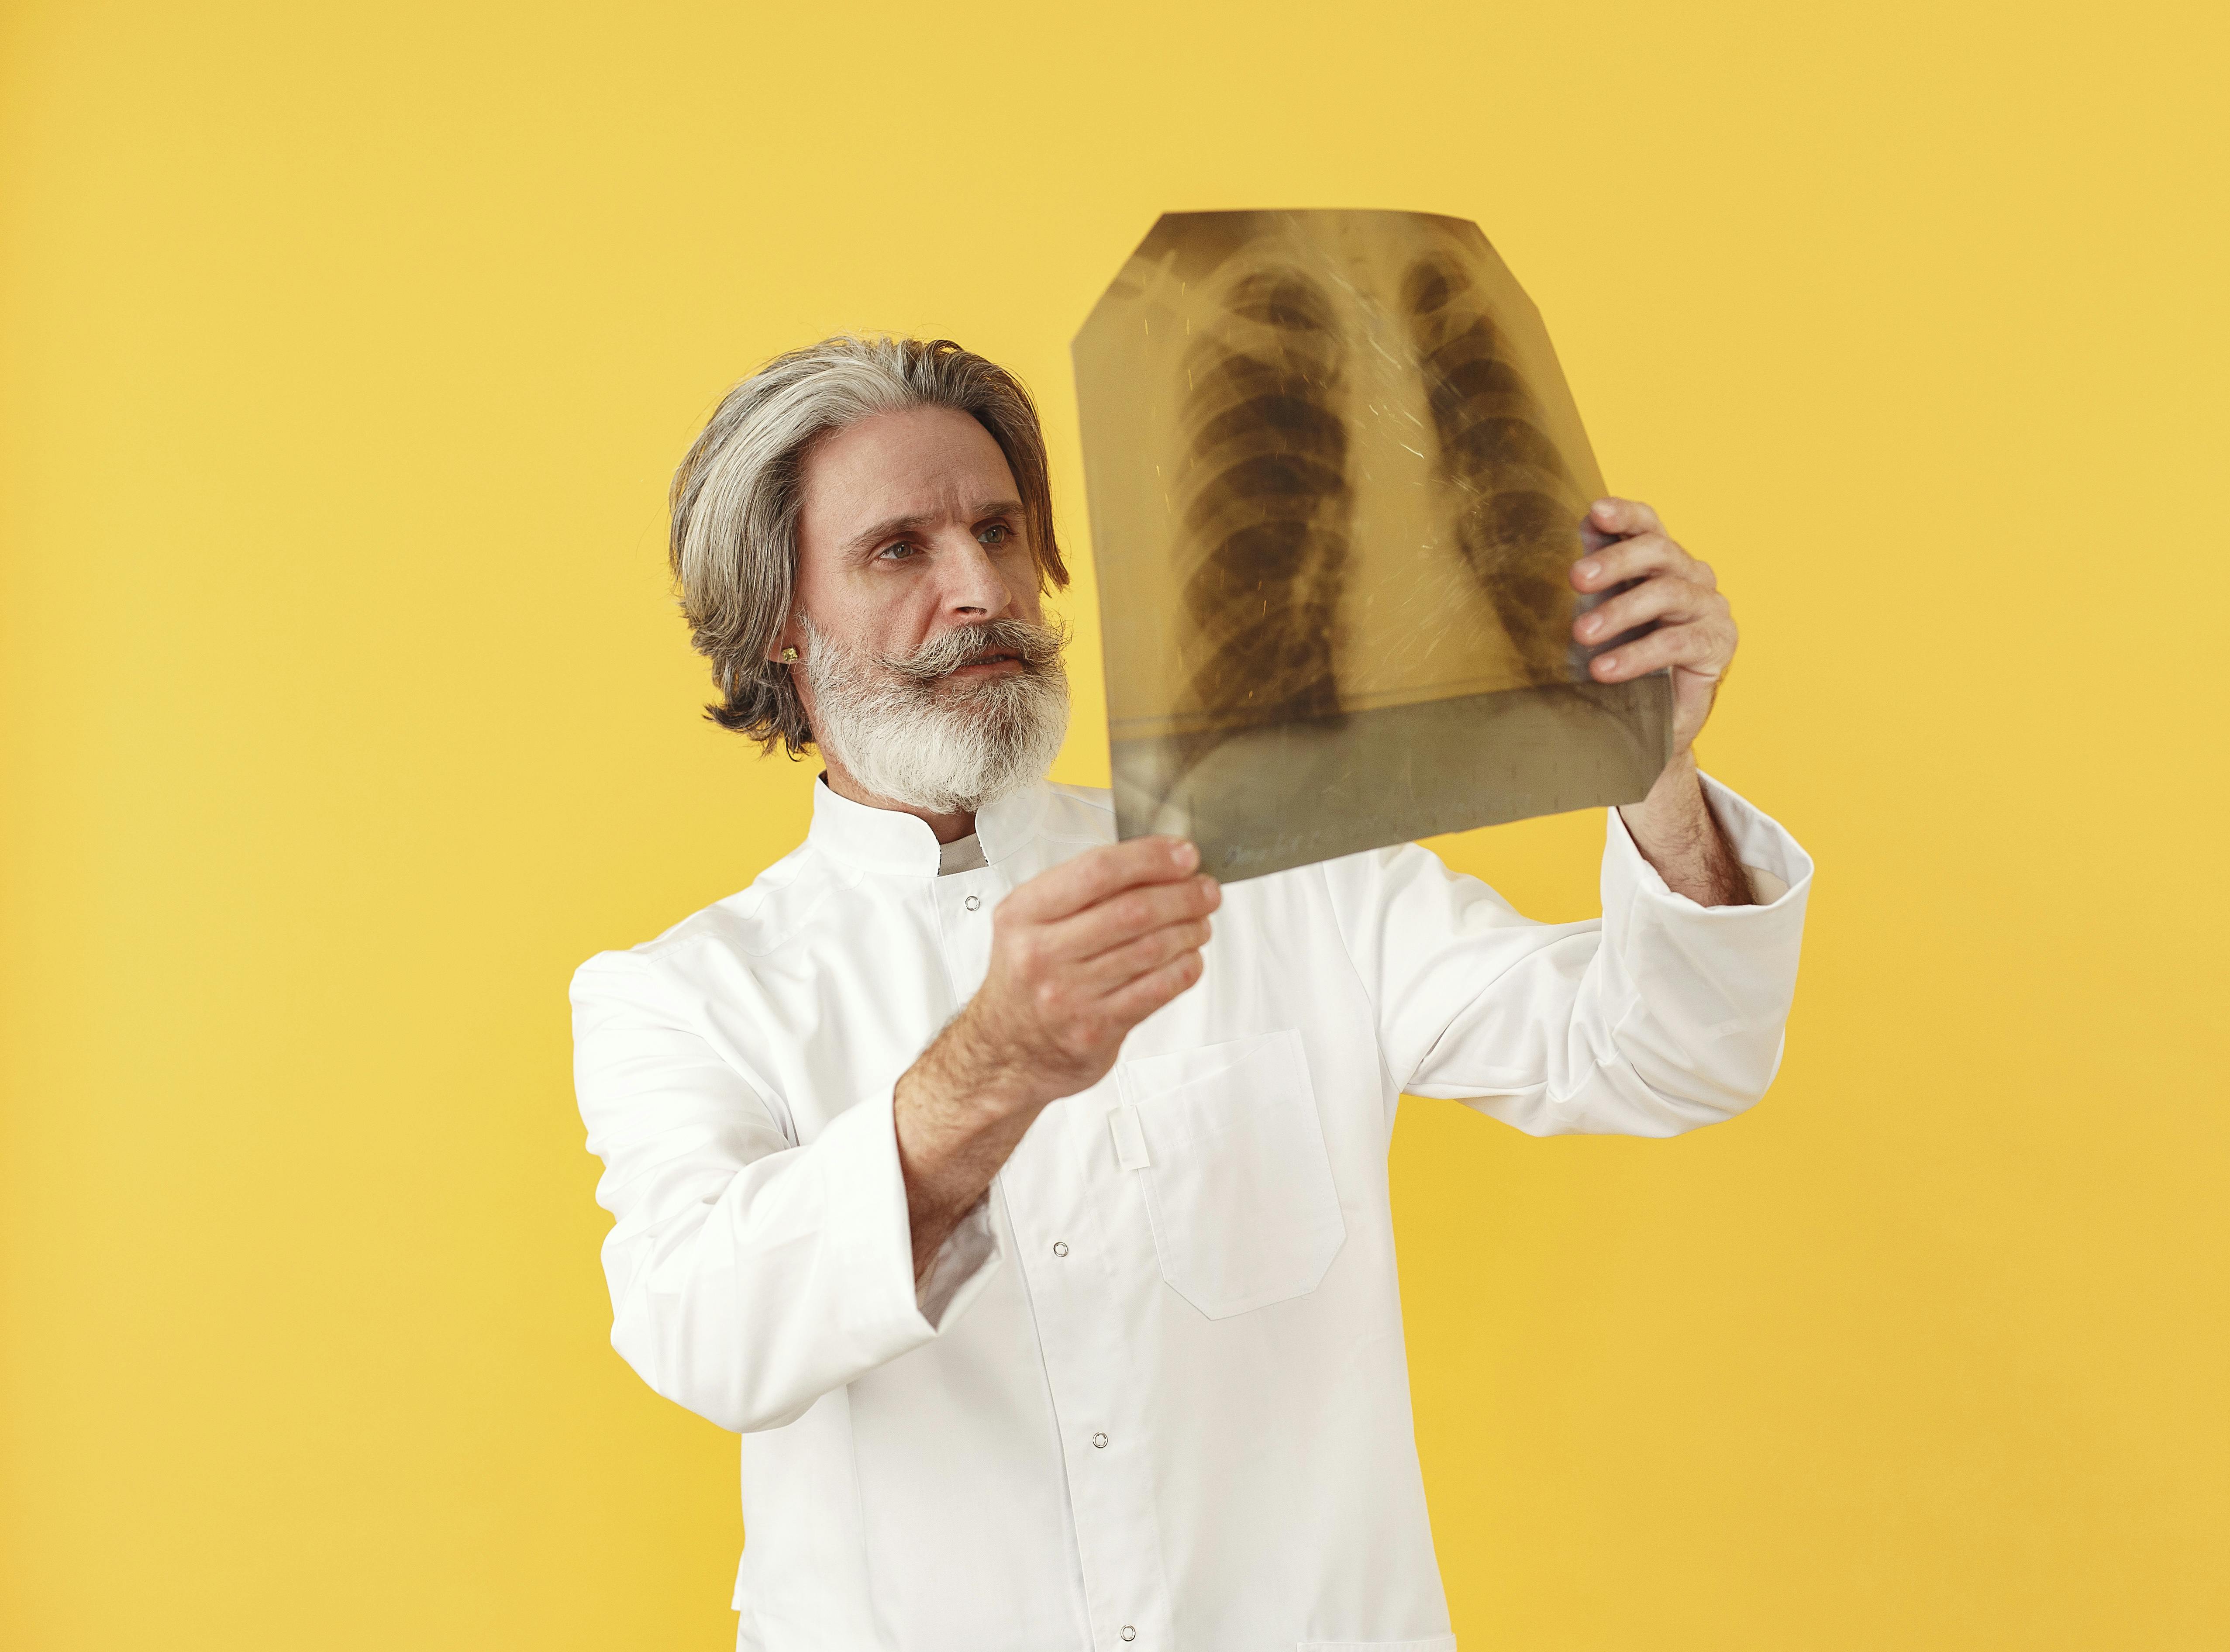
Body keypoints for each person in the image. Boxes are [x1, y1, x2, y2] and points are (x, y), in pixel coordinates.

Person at [572, 334, 1813, 1652]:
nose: (980, 588)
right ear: (778, 616)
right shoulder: (686, 997)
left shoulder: (1284, 862)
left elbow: (1669, 1057)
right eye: (899, 551)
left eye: (999, 531)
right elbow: (706, 1337)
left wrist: (1652, 768)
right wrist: (992, 1067)